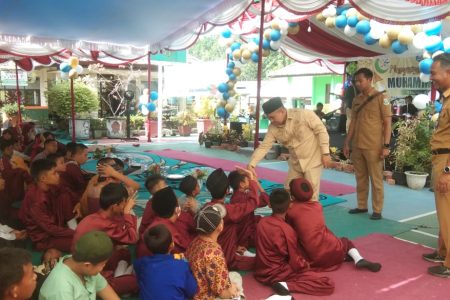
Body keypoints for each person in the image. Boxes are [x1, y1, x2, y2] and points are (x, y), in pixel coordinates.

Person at [288, 177, 382, 271]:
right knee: (344, 242)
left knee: (294, 243)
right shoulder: (317, 206)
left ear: (293, 195)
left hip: (313, 258)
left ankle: (344, 257)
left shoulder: (291, 210)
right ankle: (358, 259)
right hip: (333, 250)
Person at [254, 188, 334, 297]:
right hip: (278, 274)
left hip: (260, 272)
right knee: (327, 284)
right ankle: (286, 286)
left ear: (269, 205)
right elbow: (294, 260)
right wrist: (305, 265)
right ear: (290, 205)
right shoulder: (287, 230)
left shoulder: (261, 223)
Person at [248, 97, 330, 201]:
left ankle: (310, 215)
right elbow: (264, 146)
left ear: (282, 111)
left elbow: (321, 131)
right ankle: (289, 215)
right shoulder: (273, 127)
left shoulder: (304, 115)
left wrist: (325, 153)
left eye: (272, 117)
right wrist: (252, 164)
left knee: (310, 193)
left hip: (312, 160)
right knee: (288, 191)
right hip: (295, 163)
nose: (271, 121)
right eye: (269, 118)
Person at [73, 182, 139, 296]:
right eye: (123, 204)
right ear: (114, 206)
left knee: (124, 253)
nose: (125, 206)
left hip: (88, 262)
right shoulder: (104, 224)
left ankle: (118, 277)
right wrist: (127, 213)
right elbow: (132, 238)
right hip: (89, 273)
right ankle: (115, 281)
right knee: (136, 281)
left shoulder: (92, 217)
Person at [343, 68, 392, 220]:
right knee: (360, 177)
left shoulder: (381, 97)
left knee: (376, 179)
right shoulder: (356, 100)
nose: (357, 84)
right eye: (355, 81)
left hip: (374, 146)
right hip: (357, 145)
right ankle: (362, 205)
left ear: (370, 80)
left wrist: (386, 146)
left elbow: (387, 123)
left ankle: (377, 210)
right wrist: (347, 142)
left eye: (360, 81)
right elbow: (353, 123)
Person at [423, 53, 450, 278]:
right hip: (441, 158)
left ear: (448, 72)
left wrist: (448, 171)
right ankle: (443, 252)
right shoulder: (447, 98)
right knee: (443, 212)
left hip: (447, 161)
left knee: (447, 213)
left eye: (434, 73)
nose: (432, 78)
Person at [39, 231, 120, 300]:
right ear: (87, 265)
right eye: (102, 264)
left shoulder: (81, 264)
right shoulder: (61, 289)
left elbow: (110, 295)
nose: (104, 266)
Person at [204, 168, 258, 271]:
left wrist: (235, 246)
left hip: (213, 251)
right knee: (263, 262)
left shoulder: (206, 207)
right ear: (227, 191)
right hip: (225, 257)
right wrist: (252, 181)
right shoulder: (228, 211)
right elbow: (253, 203)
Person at [186, 206, 244, 300]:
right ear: (220, 227)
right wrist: (231, 291)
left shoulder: (195, 241)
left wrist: (229, 285)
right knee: (236, 278)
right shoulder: (214, 253)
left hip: (195, 291)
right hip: (206, 296)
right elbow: (221, 293)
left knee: (233, 276)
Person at [18, 159, 74, 252]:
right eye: (54, 173)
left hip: (54, 226)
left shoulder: (49, 186)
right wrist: (76, 232)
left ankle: (72, 227)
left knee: (65, 196)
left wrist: (79, 204)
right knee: (80, 243)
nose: (58, 175)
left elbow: (65, 191)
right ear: (43, 178)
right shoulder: (36, 199)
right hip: (43, 238)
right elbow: (50, 229)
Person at [134, 224, 197, 300]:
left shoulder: (142, 263)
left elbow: (139, 276)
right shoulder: (181, 265)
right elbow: (192, 290)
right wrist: (185, 261)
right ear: (172, 245)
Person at [136, 186, 190, 258]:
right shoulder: (168, 234)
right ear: (176, 209)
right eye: (177, 201)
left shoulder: (156, 222)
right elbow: (185, 251)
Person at [228, 167, 269, 248]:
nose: (250, 182)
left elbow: (264, 201)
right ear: (242, 184)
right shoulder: (243, 198)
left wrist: (255, 181)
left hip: (247, 227)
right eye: (248, 180)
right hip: (246, 235)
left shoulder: (238, 195)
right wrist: (255, 182)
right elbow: (265, 201)